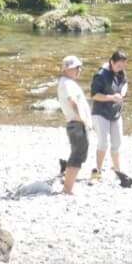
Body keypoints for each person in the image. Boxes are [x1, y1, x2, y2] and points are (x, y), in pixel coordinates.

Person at [56, 55, 92, 197]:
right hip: (76, 123)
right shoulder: (67, 84)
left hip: (76, 123)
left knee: (79, 154)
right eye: (77, 68)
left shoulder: (67, 82)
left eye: (80, 67)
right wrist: (82, 118)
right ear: (68, 69)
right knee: (77, 155)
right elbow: (72, 101)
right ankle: (68, 189)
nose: (80, 70)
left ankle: (68, 186)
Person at [90, 49, 129, 183]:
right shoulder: (101, 75)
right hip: (100, 112)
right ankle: (98, 172)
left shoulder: (121, 73)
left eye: (123, 65)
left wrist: (122, 94)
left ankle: (117, 170)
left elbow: (125, 84)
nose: (121, 68)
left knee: (117, 143)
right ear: (111, 62)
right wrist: (112, 97)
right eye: (118, 65)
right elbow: (94, 95)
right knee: (103, 143)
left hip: (115, 113)